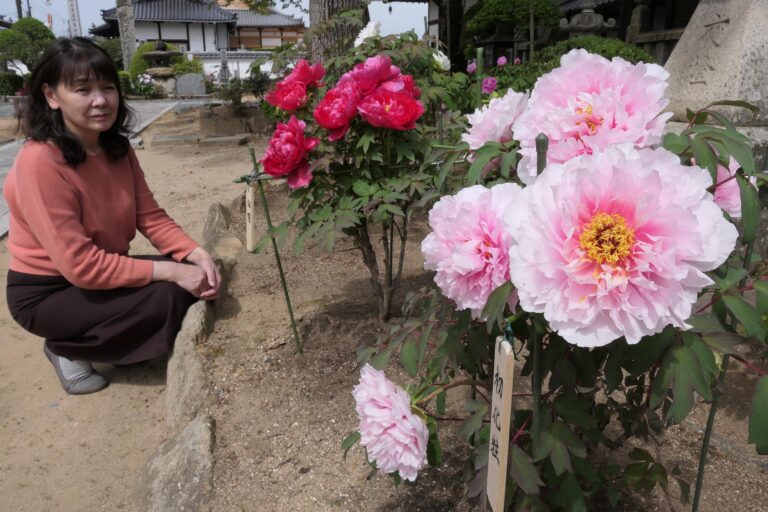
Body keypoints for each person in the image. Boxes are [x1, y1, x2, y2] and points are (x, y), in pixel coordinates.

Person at [3, 37, 221, 395]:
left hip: (98, 270)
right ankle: (65, 348)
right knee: (167, 295)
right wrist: (172, 269)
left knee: (188, 282)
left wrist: (193, 254)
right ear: (52, 96)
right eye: (83, 89)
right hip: (47, 293)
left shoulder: (115, 147)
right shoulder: (40, 161)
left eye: (107, 87)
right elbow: (80, 266)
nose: (100, 100)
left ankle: (114, 341)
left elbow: (150, 216)